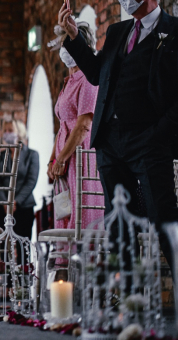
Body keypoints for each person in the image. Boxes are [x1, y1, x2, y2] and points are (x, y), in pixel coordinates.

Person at [59, 0, 178, 269]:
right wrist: (74, 37)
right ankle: (127, 298)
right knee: (118, 223)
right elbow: (98, 75)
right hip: (111, 142)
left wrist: (159, 133)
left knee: (163, 217)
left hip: (151, 141)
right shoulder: (117, 31)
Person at [48, 22, 104, 233]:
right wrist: (53, 158)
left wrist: (62, 158)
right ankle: (64, 260)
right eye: (63, 44)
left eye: (69, 42)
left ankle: (83, 261)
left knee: (80, 213)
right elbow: (63, 126)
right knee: (65, 210)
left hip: (80, 155)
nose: (65, 49)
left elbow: (83, 125)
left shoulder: (88, 80)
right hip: (65, 154)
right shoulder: (69, 81)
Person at [0, 120, 39, 239]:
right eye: (5, 131)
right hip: (2, 206)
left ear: (20, 133)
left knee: (23, 244)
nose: (7, 133)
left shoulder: (32, 155)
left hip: (24, 205)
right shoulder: (0, 156)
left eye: (10, 130)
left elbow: (31, 181)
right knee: (2, 244)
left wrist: (15, 201)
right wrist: (5, 202)